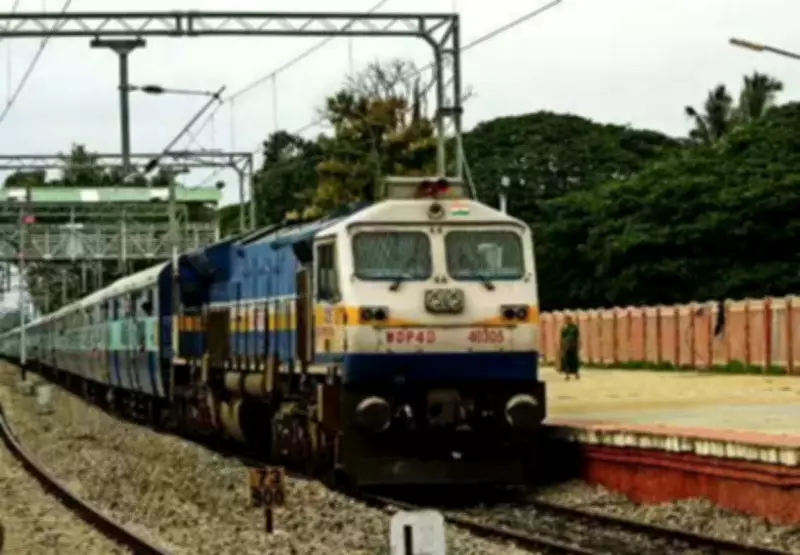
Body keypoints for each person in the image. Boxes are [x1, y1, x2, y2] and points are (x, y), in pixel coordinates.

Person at [560, 316, 581, 380]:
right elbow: (562, 337)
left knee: (574, 360)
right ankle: (567, 374)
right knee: (566, 360)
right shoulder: (564, 327)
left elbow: (577, 336)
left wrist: (578, 344)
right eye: (566, 320)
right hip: (566, 346)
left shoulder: (574, 327)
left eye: (568, 320)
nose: (567, 321)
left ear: (571, 320)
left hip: (573, 345)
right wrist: (561, 346)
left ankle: (576, 373)